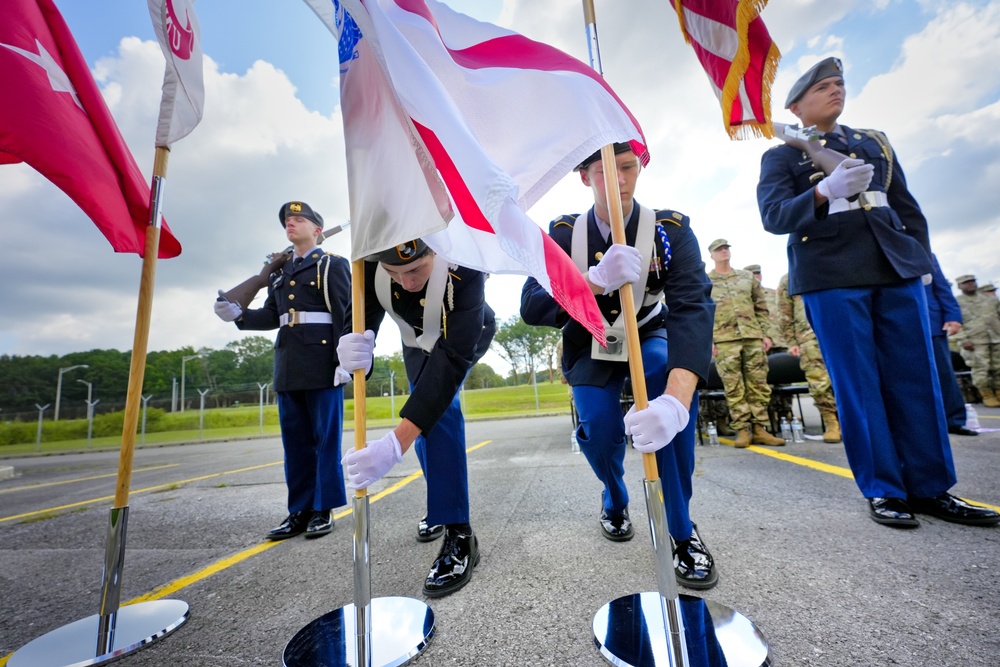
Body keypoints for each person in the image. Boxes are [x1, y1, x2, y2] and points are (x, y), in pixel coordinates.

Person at [757, 56, 999, 528]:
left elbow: (907, 208)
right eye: (823, 86)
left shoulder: (874, 143)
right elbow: (774, 217)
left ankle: (932, 487)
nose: (835, 91)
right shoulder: (783, 154)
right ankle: (885, 489)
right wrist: (823, 191)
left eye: (839, 84)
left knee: (917, 380)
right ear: (796, 105)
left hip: (895, 268)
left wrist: (922, 263)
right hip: (832, 275)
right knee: (860, 386)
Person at [521, 142, 719, 590]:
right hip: (589, 339)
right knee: (600, 427)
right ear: (585, 177)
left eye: (628, 168)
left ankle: (682, 531)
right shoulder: (564, 231)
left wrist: (677, 399)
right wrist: (589, 281)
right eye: (607, 172)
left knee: (666, 390)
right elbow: (532, 306)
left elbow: (692, 306)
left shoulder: (669, 230)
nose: (621, 181)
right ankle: (614, 494)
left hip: (647, 333)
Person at [336, 239, 496, 598]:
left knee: (439, 412)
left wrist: (395, 444)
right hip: (416, 342)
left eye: (415, 270)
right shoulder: (367, 264)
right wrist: (353, 348)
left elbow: (452, 359)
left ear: (436, 251)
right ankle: (440, 502)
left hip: (462, 337)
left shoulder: (466, 264)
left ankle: (460, 532)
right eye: (394, 273)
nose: (405, 283)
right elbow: (360, 322)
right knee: (424, 426)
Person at [213, 201, 351, 540]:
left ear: (317, 230)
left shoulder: (331, 264)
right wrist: (239, 315)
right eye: (287, 220)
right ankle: (299, 510)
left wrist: (343, 361)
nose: (291, 223)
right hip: (289, 366)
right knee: (295, 444)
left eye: (299, 218)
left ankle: (323, 509)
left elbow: (345, 313)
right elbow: (272, 316)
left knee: (325, 441)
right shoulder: (279, 272)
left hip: (322, 364)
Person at [707, 240, 785, 448]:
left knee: (758, 384)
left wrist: (766, 334)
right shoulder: (705, 281)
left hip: (752, 337)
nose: (724, 251)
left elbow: (761, 307)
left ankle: (760, 429)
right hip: (724, 340)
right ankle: (742, 429)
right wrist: (709, 340)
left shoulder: (746, 277)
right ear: (711, 255)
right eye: (719, 249)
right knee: (733, 386)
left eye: (726, 248)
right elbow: (702, 314)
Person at [775, 272, 841, 442]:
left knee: (847, 378)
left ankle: (851, 421)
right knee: (818, 382)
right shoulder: (789, 279)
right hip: (808, 337)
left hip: (838, 331)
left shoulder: (831, 268)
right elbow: (784, 312)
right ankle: (831, 422)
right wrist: (791, 341)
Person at [924, 259, 976, 435]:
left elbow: (942, 287)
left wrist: (953, 316)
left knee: (944, 374)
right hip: (897, 324)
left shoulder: (923, 249)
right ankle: (921, 424)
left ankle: (954, 420)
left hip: (932, 322)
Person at [954, 275, 1000, 408]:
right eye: (966, 283)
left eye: (972, 282)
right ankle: (987, 395)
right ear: (960, 286)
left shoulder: (990, 299)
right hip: (975, 341)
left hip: (996, 337)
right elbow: (956, 323)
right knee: (981, 368)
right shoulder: (957, 302)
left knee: (998, 368)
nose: (970, 284)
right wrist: (963, 339)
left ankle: (998, 392)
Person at [743, 264, 786, 351]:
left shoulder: (774, 294)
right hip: (758, 344)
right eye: (752, 274)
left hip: (780, 341)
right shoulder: (742, 298)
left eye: (757, 273)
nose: (756, 276)